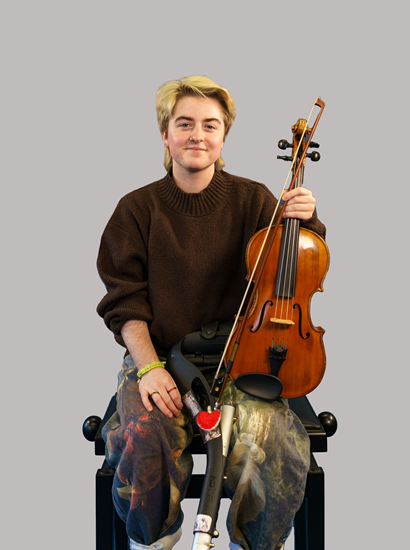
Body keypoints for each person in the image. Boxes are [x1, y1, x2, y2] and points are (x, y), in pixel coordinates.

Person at [97, 75, 326, 550]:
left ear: (223, 136)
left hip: (244, 357)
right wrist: (149, 368)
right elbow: (125, 303)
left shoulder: (254, 199)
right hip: (160, 357)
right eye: (184, 124)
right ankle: (157, 539)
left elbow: (296, 262)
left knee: (273, 444)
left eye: (209, 125)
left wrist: (305, 220)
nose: (197, 135)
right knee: (145, 434)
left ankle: (256, 543)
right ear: (166, 134)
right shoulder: (136, 209)